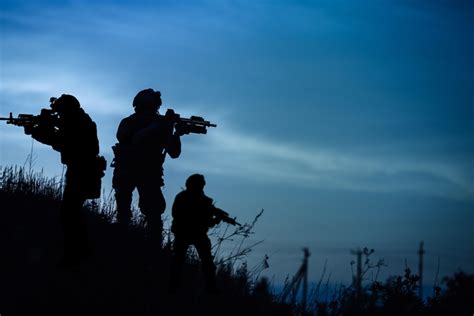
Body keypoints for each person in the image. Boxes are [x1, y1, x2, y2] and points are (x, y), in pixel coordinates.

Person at [24, 94, 106, 266]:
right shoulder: (79, 121)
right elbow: (60, 139)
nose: (58, 116)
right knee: (72, 212)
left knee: (70, 212)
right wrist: (41, 130)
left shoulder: (79, 123)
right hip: (81, 170)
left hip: (82, 171)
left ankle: (75, 255)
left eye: (60, 113)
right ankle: (80, 252)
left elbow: (62, 142)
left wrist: (38, 131)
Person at [111, 88, 181, 243]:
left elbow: (174, 153)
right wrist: (156, 127)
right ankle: (120, 242)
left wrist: (174, 132)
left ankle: (152, 246)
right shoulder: (129, 123)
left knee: (153, 213)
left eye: (155, 107)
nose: (154, 110)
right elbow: (128, 138)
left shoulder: (161, 125)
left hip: (149, 172)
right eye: (151, 106)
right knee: (123, 211)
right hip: (128, 169)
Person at [169, 174, 222, 294]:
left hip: (184, 234)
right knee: (205, 263)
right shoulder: (203, 201)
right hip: (192, 234)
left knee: (179, 262)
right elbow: (205, 222)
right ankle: (211, 289)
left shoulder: (182, 197)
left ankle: (173, 287)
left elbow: (176, 215)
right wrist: (215, 220)